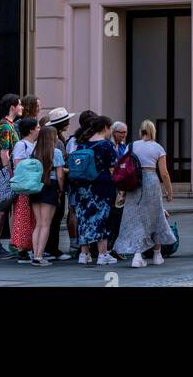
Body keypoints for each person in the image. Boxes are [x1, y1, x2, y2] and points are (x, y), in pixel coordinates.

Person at [114, 119, 175, 269]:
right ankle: (157, 254)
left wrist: (122, 191)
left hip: (134, 183)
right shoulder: (158, 148)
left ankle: (137, 255)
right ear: (153, 132)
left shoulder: (132, 145)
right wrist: (169, 190)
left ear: (141, 131)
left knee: (136, 218)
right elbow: (164, 173)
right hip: (151, 181)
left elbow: (124, 166)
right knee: (156, 216)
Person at [73, 115, 118, 266]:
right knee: (102, 219)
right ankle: (102, 254)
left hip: (82, 188)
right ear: (106, 127)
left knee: (83, 219)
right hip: (102, 187)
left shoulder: (82, 144)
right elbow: (113, 168)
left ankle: (84, 254)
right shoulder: (106, 145)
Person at [23, 124, 66, 267]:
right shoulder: (56, 152)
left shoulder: (34, 152)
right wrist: (61, 190)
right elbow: (60, 176)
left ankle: (35, 254)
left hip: (36, 188)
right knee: (46, 225)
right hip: (50, 186)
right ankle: (39, 256)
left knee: (38, 224)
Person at [0, 93, 22, 258]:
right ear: (12, 107)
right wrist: (11, 174)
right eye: (19, 105)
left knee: (2, 209)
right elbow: (4, 153)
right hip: (3, 172)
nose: (21, 108)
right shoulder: (6, 127)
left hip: (3, 171)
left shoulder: (8, 125)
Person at [44, 107, 75, 261]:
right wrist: (62, 188)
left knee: (49, 218)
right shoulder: (58, 143)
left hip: (46, 182)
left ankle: (47, 248)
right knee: (55, 216)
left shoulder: (49, 139)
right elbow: (59, 168)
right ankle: (52, 248)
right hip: (56, 182)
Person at [65, 109, 95, 257]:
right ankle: (90, 241)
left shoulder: (73, 140)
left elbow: (69, 158)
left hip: (74, 179)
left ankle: (74, 242)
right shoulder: (95, 139)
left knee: (73, 211)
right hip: (91, 179)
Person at [10, 117, 39, 260]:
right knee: (23, 216)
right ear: (31, 130)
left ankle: (31, 246)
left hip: (34, 184)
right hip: (26, 185)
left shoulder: (35, 144)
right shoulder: (22, 145)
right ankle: (21, 248)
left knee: (33, 217)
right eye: (37, 127)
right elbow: (18, 164)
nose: (39, 129)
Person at [107, 122, 129, 250]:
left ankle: (115, 244)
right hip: (110, 184)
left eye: (125, 132)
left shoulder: (123, 146)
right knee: (111, 215)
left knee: (118, 214)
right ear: (114, 132)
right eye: (120, 132)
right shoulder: (109, 145)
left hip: (120, 184)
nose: (123, 135)